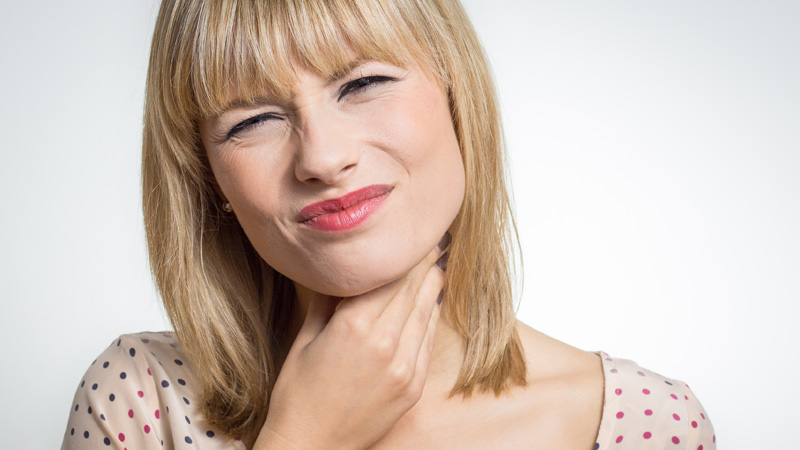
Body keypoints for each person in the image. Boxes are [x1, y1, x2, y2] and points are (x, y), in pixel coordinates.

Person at [62, 0, 716, 449]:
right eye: (253, 120)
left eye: (363, 83)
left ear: (457, 96)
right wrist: (303, 438)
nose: (322, 158)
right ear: (209, 179)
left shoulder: (648, 426)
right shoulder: (140, 401)